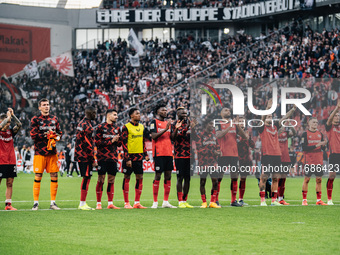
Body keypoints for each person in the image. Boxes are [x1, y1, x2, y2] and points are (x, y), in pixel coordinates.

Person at [258, 99, 296, 206]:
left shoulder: (275, 127)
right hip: (266, 155)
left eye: (271, 116)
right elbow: (262, 118)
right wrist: (267, 109)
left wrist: (293, 109)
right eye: (268, 117)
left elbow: (284, 118)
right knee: (264, 177)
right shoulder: (262, 127)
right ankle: (262, 200)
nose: (270, 118)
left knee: (275, 178)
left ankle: (274, 201)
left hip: (277, 156)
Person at [30, 98, 62, 210]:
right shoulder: (35, 119)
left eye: (48, 104)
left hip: (52, 152)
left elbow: (60, 134)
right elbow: (33, 135)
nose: (46, 106)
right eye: (44, 105)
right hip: (40, 152)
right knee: (38, 176)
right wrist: (46, 135)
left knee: (54, 175)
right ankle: (35, 203)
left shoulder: (54, 119)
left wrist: (55, 136)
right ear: (39, 107)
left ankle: (53, 203)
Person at [215, 108, 247, 207]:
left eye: (229, 110)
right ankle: (215, 200)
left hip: (234, 155)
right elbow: (218, 135)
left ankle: (233, 201)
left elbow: (245, 136)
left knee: (234, 177)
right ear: (221, 113)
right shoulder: (218, 123)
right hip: (223, 154)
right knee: (219, 177)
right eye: (225, 110)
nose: (228, 111)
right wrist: (229, 127)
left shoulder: (234, 124)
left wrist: (237, 125)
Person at [121, 108, 149, 209]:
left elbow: (143, 141)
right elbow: (124, 143)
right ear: (131, 115)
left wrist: (145, 153)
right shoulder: (126, 127)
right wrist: (127, 158)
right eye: (137, 113)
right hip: (129, 157)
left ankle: (137, 202)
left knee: (140, 178)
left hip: (139, 157)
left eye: (139, 113)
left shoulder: (142, 127)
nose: (139, 115)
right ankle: (126, 203)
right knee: (127, 178)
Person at [150, 104, 176, 209]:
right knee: (158, 176)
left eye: (166, 110)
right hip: (159, 153)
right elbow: (153, 136)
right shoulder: (154, 122)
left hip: (169, 153)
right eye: (163, 110)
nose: (165, 111)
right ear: (158, 111)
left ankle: (165, 201)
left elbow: (172, 138)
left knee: (168, 176)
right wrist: (165, 129)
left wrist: (176, 129)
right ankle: (155, 202)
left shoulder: (168, 123)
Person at [94, 109, 121, 210]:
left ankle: (110, 203)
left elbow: (119, 144)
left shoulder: (117, 128)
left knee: (111, 180)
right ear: (108, 116)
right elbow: (97, 142)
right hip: (102, 157)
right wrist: (111, 140)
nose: (116, 117)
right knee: (101, 180)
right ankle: (98, 203)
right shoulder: (100, 127)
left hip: (113, 157)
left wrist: (118, 141)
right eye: (114, 115)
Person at [192, 118, 221, 208]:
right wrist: (214, 152)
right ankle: (204, 202)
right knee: (202, 182)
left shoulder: (214, 136)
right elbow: (200, 149)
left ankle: (212, 202)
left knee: (215, 181)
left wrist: (218, 152)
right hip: (203, 163)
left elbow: (218, 147)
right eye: (210, 124)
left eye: (213, 124)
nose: (212, 126)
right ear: (206, 125)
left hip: (213, 163)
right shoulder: (200, 136)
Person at [75, 106, 97, 210]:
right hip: (85, 156)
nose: (95, 115)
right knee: (86, 177)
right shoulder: (88, 126)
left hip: (80, 154)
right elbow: (88, 145)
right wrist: (93, 159)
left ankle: (82, 203)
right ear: (90, 113)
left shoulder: (81, 123)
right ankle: (82, 203)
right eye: (94, 113)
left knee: (86, 177)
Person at [171, 107, 194, 208]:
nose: (184, 114)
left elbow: (196, 138)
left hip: (190, 155)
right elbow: (174, 138)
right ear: (178, 114)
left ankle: (185, 200)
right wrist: (181, 128)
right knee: (180, 178)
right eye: (182, 113)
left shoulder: (190, 124)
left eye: (185, 113)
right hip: (179, 155)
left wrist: (193, 129)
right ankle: (180, 201)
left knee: (188, 179)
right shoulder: (174, 124)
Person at [301, 117, 328, 206]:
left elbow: (323, 148)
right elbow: (304, 148)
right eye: (313, 122)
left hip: (318, 160)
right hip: (309, 160)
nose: (315, 124)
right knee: (307, 179)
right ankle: (304, 200)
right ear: (309, 123)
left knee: (319, 179)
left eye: (316, 122)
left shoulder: (320, 134)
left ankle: (319, 200)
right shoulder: (305, 134)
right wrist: (317, 144)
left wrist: (324, 145)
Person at [0, 108, 22, 210]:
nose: (8, 124)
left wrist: (12, 116)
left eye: (9, 122)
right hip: (1, 160)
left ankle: (8, 205)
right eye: (7, 122)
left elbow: (19, 125)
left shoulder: (10, 132)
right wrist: (8, 117)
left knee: (10, 183)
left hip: (11, 160)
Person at [236, 116, 255, 206]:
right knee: (234, 178)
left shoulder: (247, 132)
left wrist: (249, 139)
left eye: (243, 121)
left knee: (243, 178)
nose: (241, 123)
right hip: (235, 158)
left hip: (245, 159)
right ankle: (233, 199)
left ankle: (240, 199)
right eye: (240, 121)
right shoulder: (234, 132)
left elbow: (252, 145)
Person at [325, 100, 340, 205]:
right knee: (332, 176)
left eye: (338, 116)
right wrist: (337, 108)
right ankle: (329, 198)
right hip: (334, 154)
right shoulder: (330, 127)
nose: (337, 117)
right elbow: (329, 119)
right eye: (336, 116)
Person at [278, 125, 296, 205]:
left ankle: (281, 198)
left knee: (283, 178)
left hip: (285, 158)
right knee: (276, 178)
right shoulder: (274, 133)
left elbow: (294, 133)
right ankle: (274, 198)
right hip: (277, 157)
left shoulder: (286, 133)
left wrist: (291, 125)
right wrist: (278, 130)